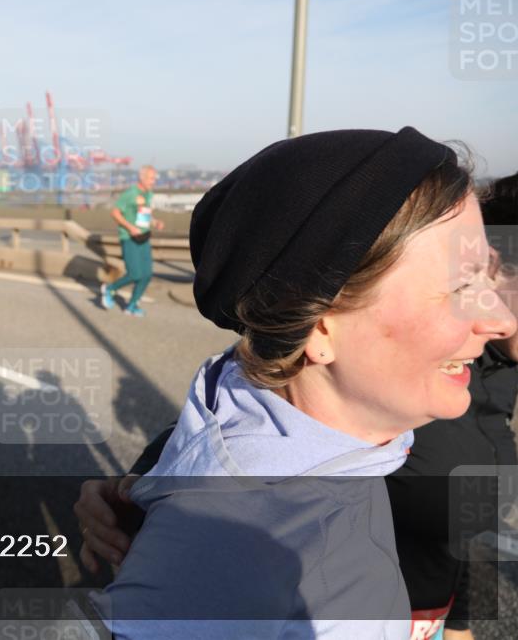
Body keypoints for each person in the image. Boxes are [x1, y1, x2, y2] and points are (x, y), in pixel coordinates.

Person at [79, 128, 515, 639]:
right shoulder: (238, 546)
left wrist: (151, 485)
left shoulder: (345, 440)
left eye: (488, 276)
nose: (500, 321)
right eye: (462, 285)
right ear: (320, 325)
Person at [100, 165, 164, 317]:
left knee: (147, 275)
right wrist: (130, 227)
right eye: (151, 178)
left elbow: (145, 215)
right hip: (129, 238)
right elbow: (115, 213)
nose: (153, 181)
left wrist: (155, 223)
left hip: (144, 238)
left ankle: (132, 305)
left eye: (154, 178)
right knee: (135, 274)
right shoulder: (130, 193)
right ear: (142, 177)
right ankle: (110, 289)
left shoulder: (148, 193)